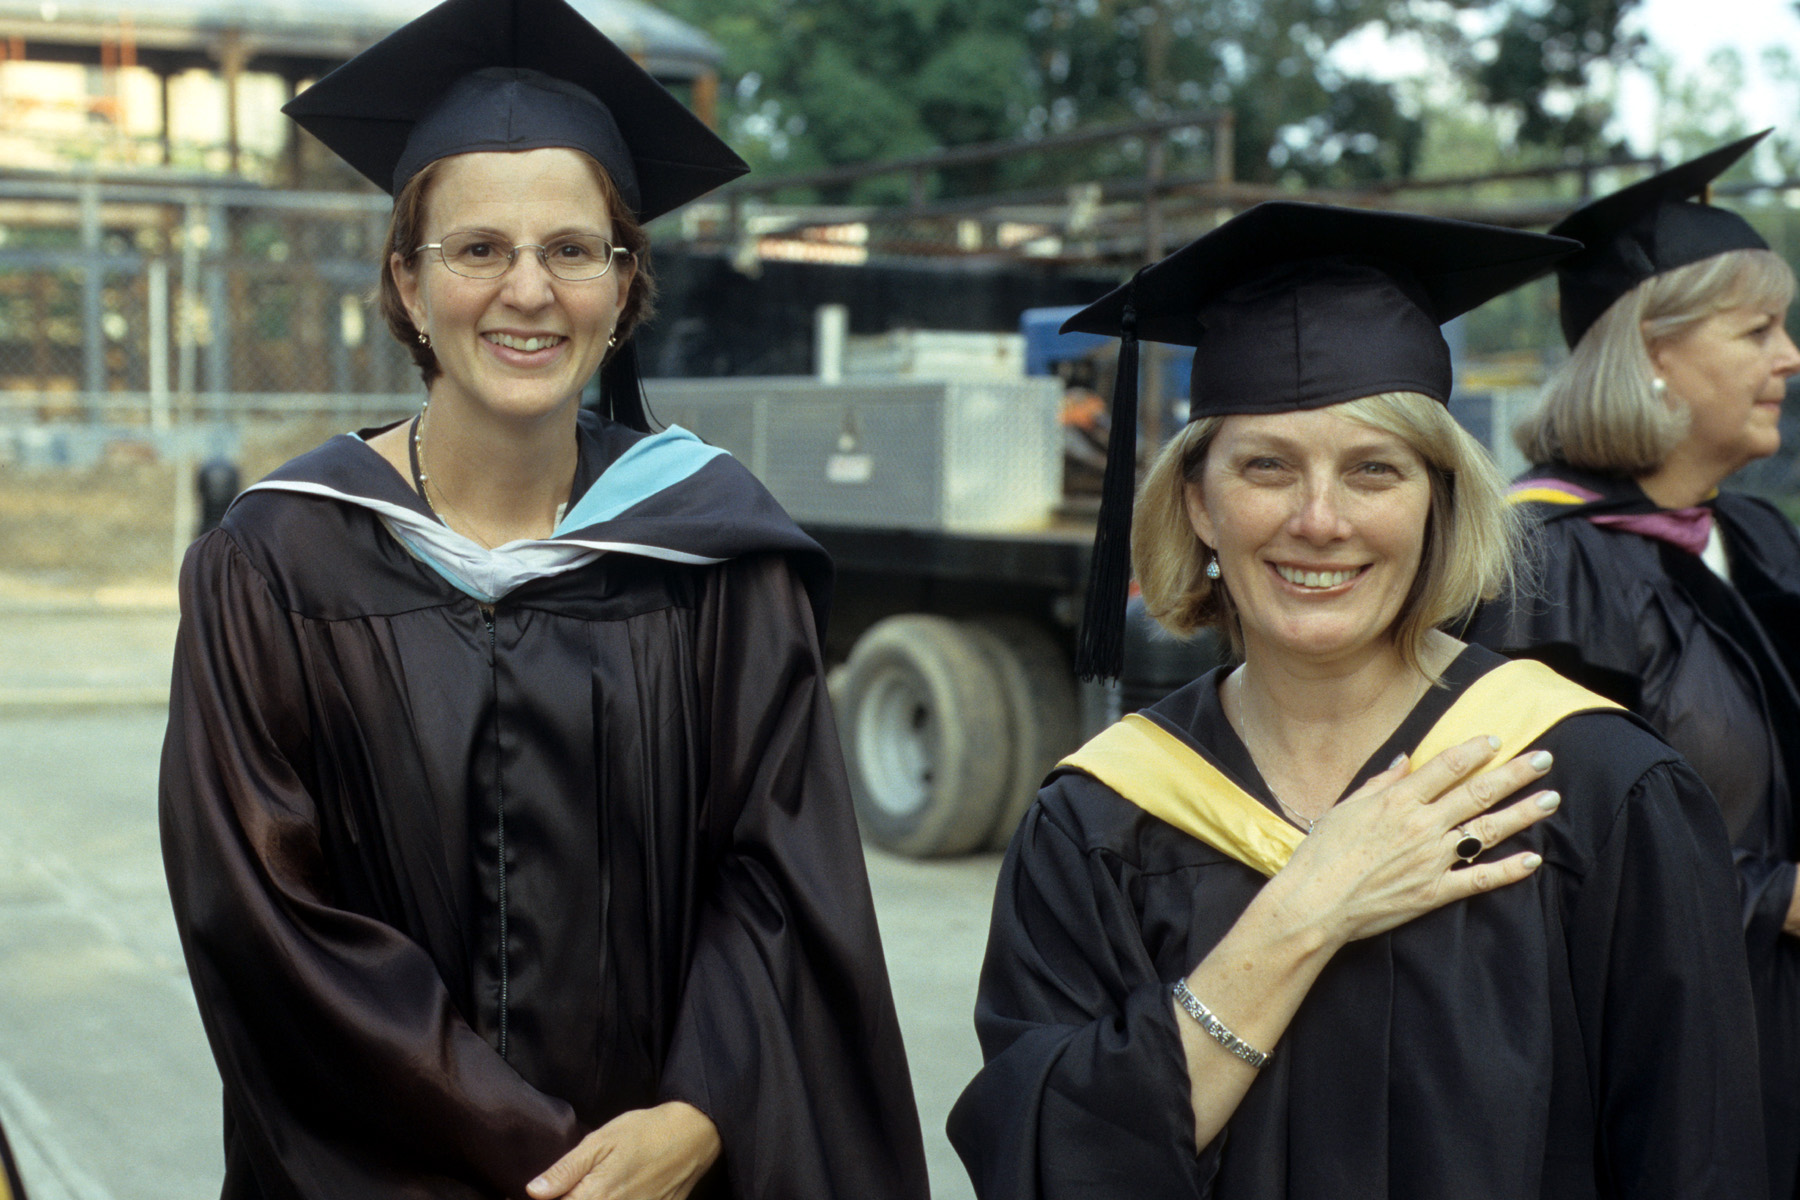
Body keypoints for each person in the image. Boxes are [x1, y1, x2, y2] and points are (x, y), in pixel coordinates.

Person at [158, 1, 930, 1197]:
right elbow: (261, 916)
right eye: (478, 249)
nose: (528, 289)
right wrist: (537, 1159)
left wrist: (704, 1112)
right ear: (408, 282)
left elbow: (783, 876)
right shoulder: (277, 564)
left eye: (573, 250)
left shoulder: (718, 556)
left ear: (623, 287)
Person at [946, 201, 1768, 1199]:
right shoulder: (1098, 821)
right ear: (1199, 502)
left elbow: (1697, 1160)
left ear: (1438, 501)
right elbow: (1042, 1163)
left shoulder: (1595, 789)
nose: (1320, 519)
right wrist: (1304, 909)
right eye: (1267, 466)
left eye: (1374, 470)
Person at [1469, 131, 1800, 1199]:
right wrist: (1775, 899)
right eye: (1757, 331)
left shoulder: (1755, 537)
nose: (1792, 357)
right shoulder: (1542, 567)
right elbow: (1533, 856)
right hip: (1654, 1082)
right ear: (1650, 351)